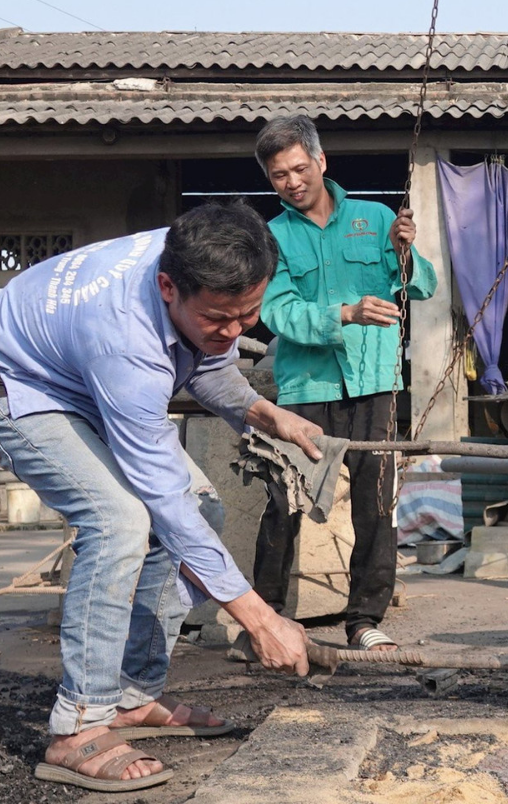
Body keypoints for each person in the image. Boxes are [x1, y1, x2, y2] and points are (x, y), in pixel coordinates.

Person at [0, 202, 321, 792]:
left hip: (84, 377)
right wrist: (259, 619)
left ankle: (130, 696)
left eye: (249, 314)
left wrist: (264, 412)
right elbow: (161, 500)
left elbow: (210, 363)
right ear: (167, 287)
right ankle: (77, 726)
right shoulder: (125, 340)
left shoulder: (202, 257)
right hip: (24, 384)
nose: (235, 330)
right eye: (220, 317)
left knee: (203, 510)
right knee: (121, 521)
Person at [251, 115, 437, 652]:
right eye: (279, 175)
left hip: (375, 383)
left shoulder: (374, 218)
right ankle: (266, 619)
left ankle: (364, 620)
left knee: (375, 506)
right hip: (306, 391)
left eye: (299, 168)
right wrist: (347, 314)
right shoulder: (272, 238)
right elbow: (278, 313)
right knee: (284, 504)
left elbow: (418, 286)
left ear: (321, 160)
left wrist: (406, 251)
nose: (292, 181)